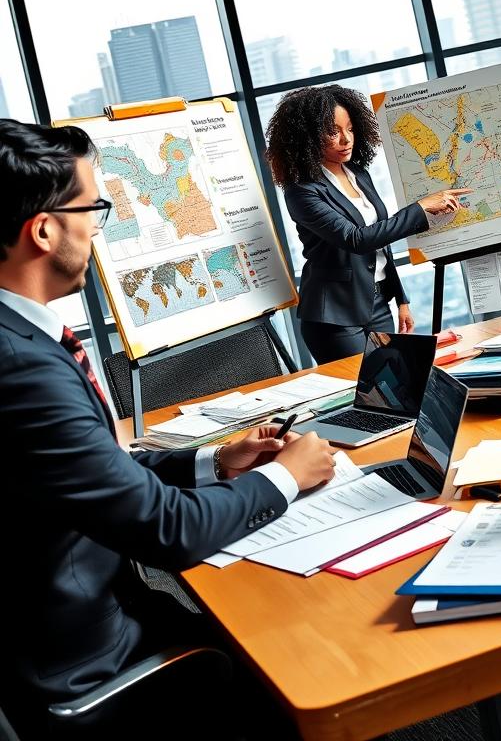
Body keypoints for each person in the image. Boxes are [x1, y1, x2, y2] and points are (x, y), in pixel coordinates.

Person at [0, 119, 337, 736]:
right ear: (44, 230)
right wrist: (286, 477)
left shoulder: (19, 336)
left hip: (90, 621)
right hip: (92, 668)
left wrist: (215, 463)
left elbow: (95, 468)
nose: (97, 229)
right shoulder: (21, 369)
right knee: (304, 668)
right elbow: (166, 529)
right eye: (93, 208)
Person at [266, 85, 469, 363]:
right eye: (333, 131)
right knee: (368, 394)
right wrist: (420, 209)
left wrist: (401, 298)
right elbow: (357, 239)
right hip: (334, 318)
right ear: (308, 137)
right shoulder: (301, 191)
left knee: (393, 388)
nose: (345, 139)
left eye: (350, 128)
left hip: (377, 305)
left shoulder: (357, 173)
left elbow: (380, 241)